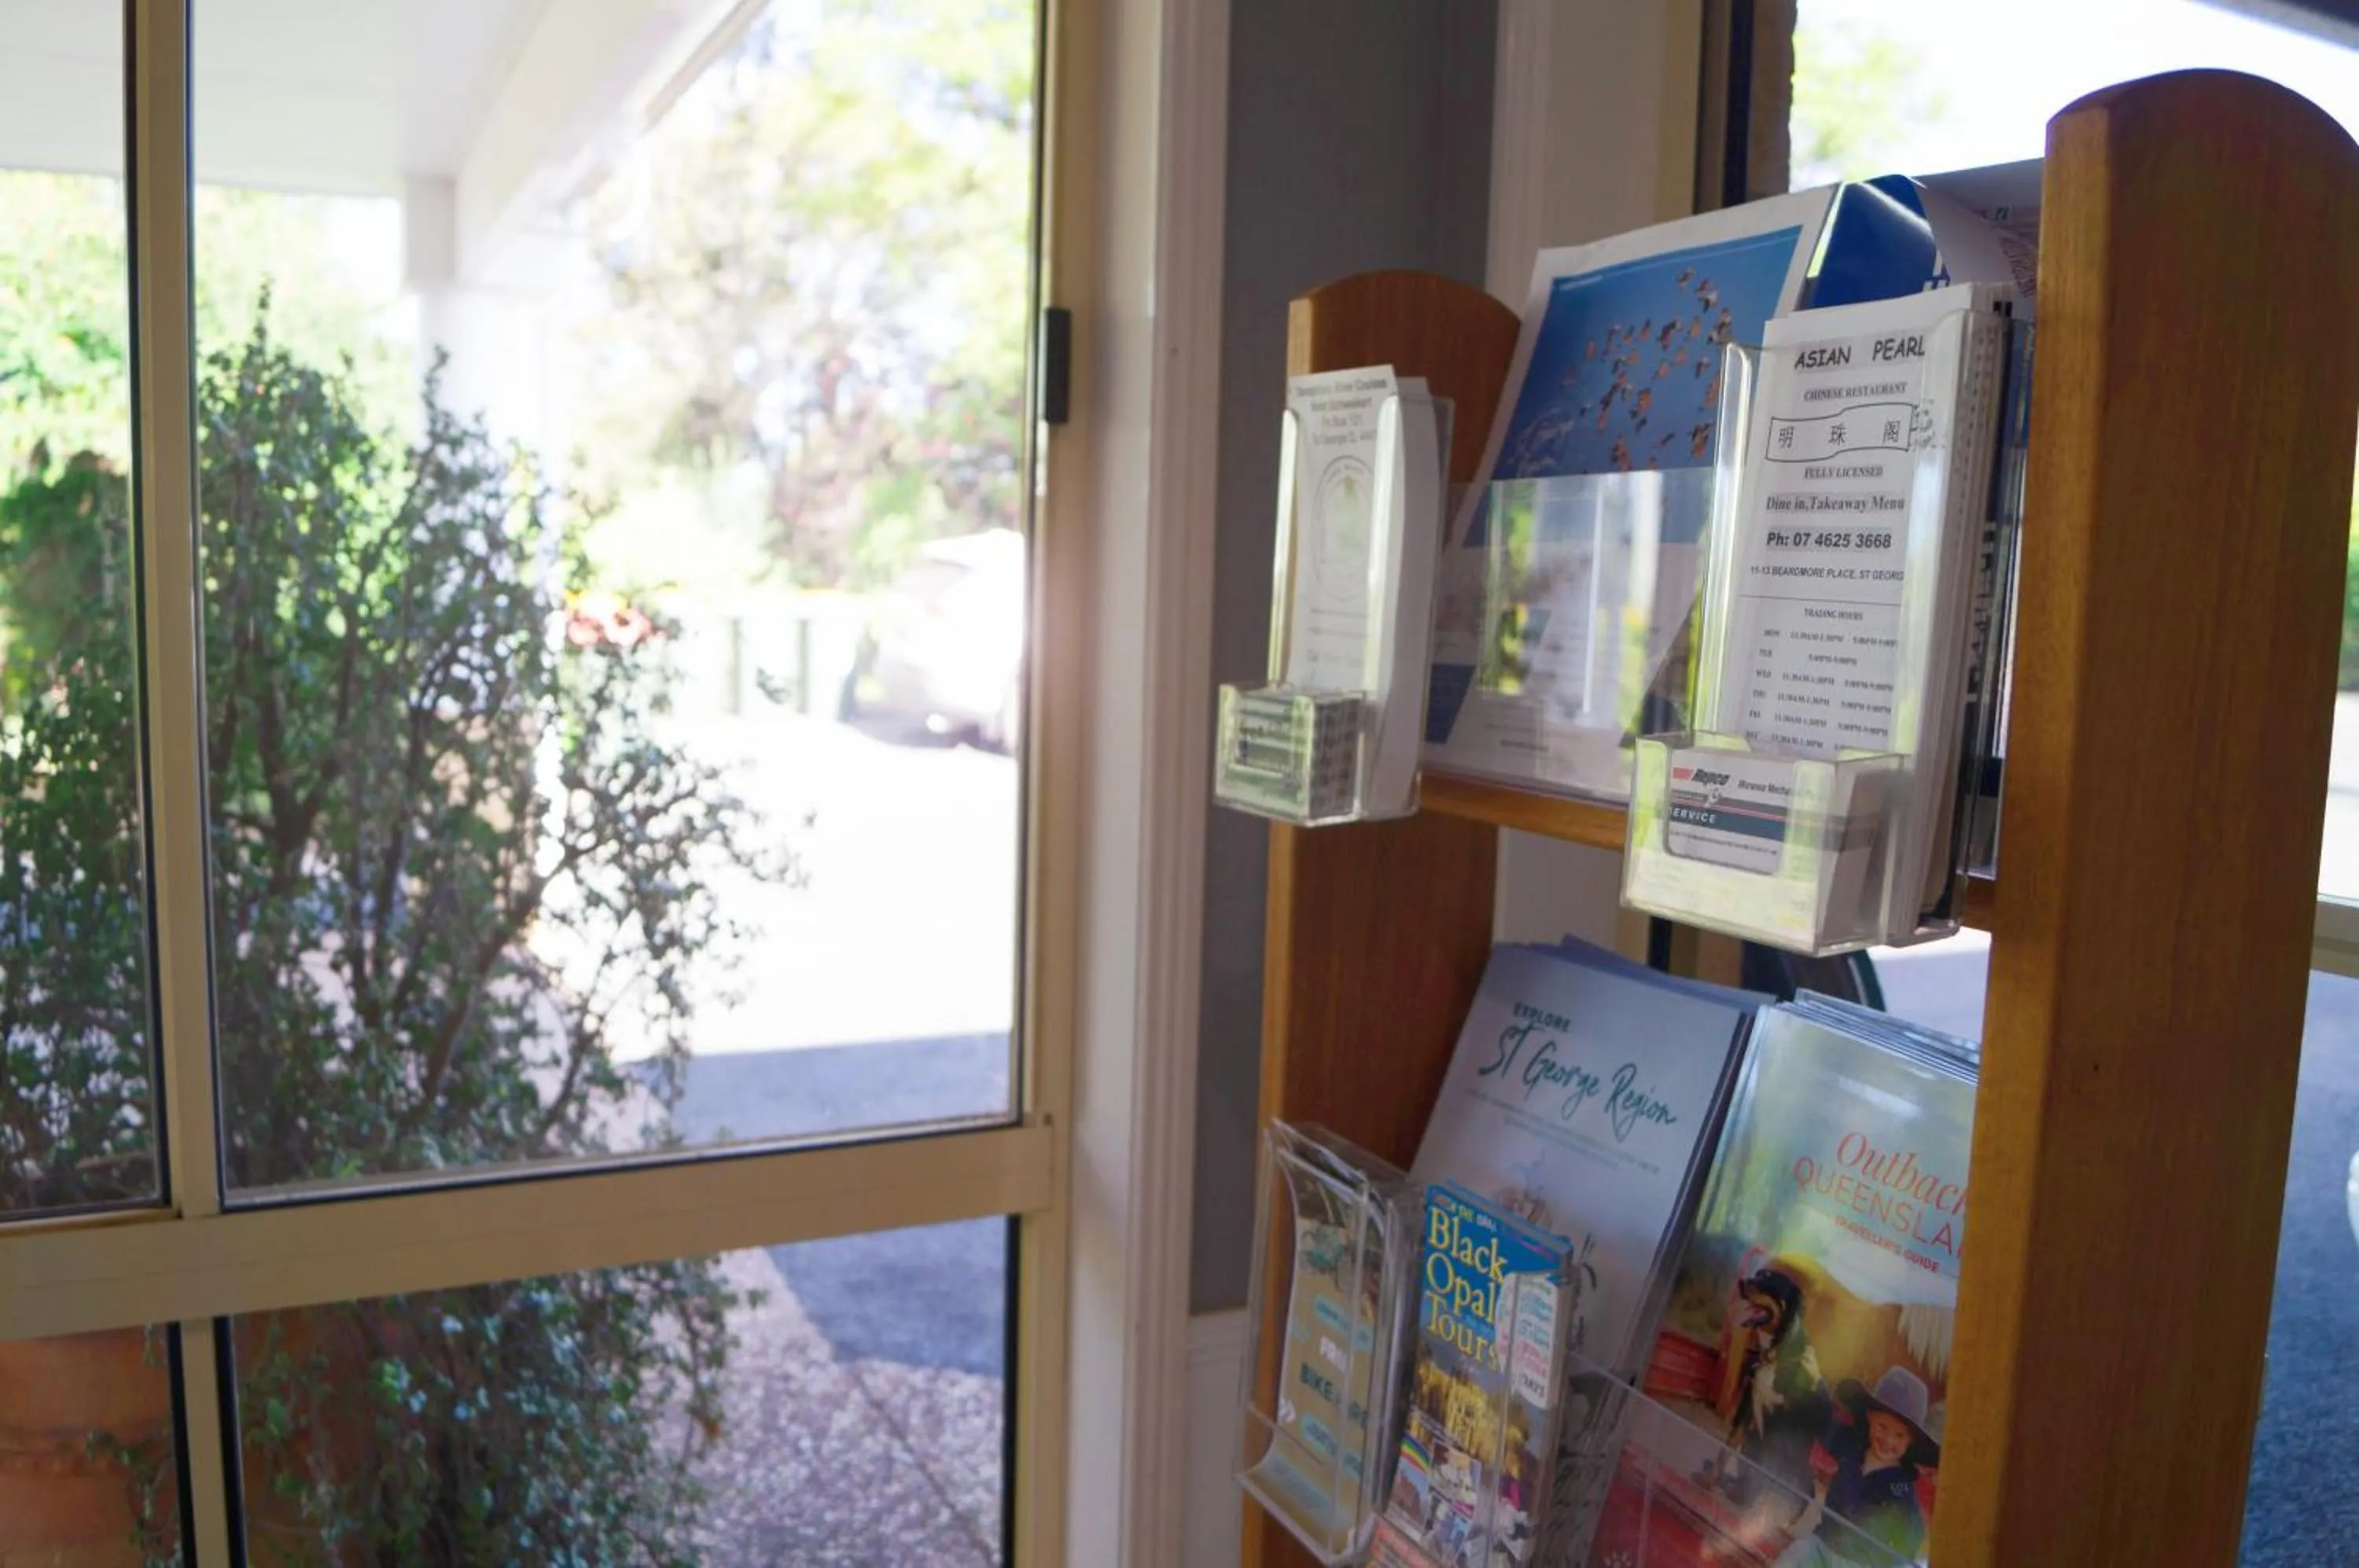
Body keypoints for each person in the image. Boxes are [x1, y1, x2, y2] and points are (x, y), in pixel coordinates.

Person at [1772, 1367, 1941, 1567]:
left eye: (1899, 1436)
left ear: (1910, 1442)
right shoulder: (1851, 1444)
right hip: (1824, 1546)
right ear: (1870, 1418)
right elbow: (1823, 1422)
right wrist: (1809, 1391)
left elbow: (1910, 1539)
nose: (1888, 1440)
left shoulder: (1902, 1489)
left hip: (1860, 1563)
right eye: (1882, 1427)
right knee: (1799, 1552)